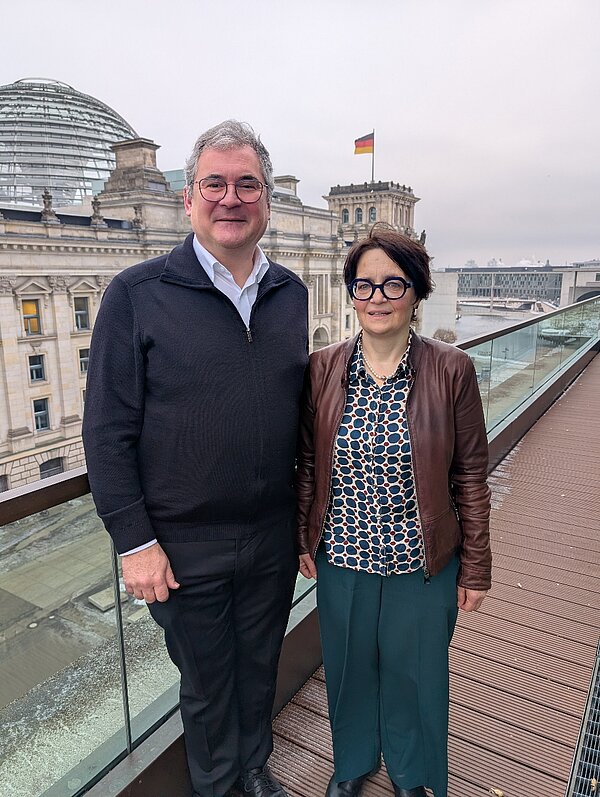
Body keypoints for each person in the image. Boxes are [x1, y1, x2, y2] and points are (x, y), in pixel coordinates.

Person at [83, 120, 308, 797]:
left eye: (247, 185)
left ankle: (252, 769)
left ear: (266, 200)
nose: (231, 198)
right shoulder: (137, 292)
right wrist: (135, 541)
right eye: (215, 183)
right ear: (189, 198)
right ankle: (220, 786)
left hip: (270, 535)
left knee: (259, 665)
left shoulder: (289, 293)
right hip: (182, 545)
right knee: (208, 682)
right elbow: (107, 430)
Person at [295, 227, 491, 797]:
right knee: (351, 669)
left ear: (416, 293)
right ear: (351, 293)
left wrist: (475, 566)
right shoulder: (324, 367)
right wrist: (304, 536)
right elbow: (308, 461)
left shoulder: (451, 369)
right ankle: (352, 765)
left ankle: (411, 774)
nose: (377, 297)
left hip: (420, 559)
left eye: (392, 284)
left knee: (415, 674)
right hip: (342, 554)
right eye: (364, 285)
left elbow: (470, 474)